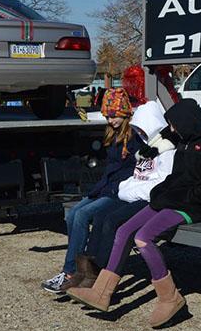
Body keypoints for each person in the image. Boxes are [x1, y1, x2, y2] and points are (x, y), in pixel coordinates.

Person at [67, 98, 201, 328]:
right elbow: (173, 175)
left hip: (188, 207)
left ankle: (169, 297)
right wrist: (162, 192)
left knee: (143, 238)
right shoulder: (184, 142)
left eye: (174, 124)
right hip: (169, 199)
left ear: (186, 122)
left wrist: (177, 196)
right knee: (123, 231)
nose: (171, 129)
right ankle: (102, 293)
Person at [41, 88, 140, 294]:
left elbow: (134, 171)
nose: (110, 120)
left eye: (113, 115)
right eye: (107, 116)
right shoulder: (113, 134)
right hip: (105, 188)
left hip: (120, 192)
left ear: (124, 112)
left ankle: (70, 272)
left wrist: (109, 189)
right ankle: (79, 266)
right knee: (73, 215)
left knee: (83, 215)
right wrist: (97, 189)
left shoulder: (134, 137)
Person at [73, 101, 178, 288]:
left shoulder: (166, 150)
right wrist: (126, 188)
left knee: (112, 221)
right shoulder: (147, 146)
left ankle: (100, 273)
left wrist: (129, 189)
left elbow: (160, 182)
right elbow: (139, 176)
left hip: (147, 199)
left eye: (143, 129)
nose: (141, 133)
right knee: (99, 217)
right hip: (132, 194)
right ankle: (86, 269)